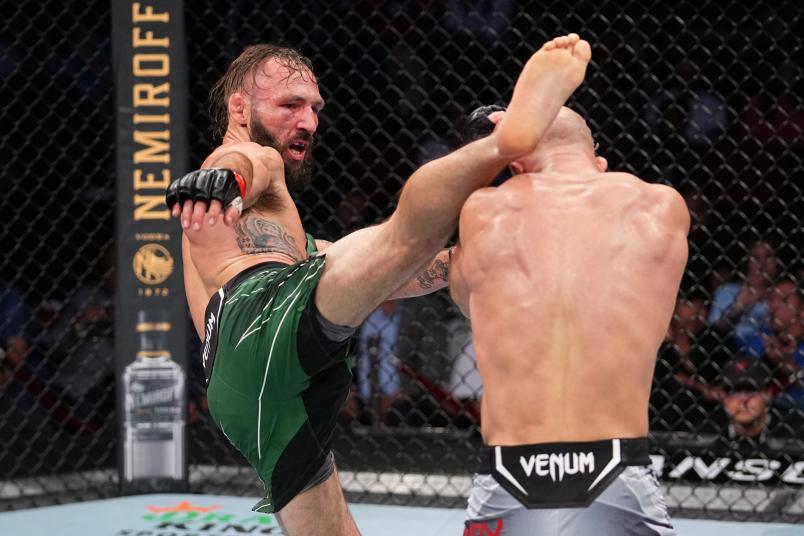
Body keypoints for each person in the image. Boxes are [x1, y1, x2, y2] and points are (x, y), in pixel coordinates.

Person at [165, 35, 588, 536]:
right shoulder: (249, 160)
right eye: (290, 105)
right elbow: (240, 168)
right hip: (260, 326)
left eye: (315, 108)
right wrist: (221, 181)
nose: (309, 122)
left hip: (251, 398)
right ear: (240, 108)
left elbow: (369, 271)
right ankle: (501, 145)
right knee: (403, 235)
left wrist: (461, 260)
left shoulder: (275, 241)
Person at [450, 38, 688, 535]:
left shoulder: (484, 213)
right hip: (619, 470)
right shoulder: (659, 207)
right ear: (597, 160)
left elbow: (471, 303)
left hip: (508, 475)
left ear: (513, 161)